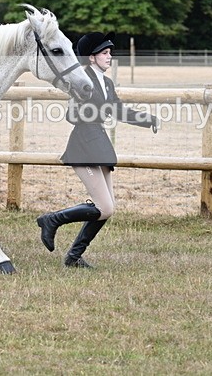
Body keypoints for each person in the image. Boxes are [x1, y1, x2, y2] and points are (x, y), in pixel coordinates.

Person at [36, 32, 159, 268]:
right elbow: (71, 115)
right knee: (104, 206)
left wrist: (148, 119)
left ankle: (73, 257)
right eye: (104, 53)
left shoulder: (107, 83)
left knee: (106, 209)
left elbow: (118, 111)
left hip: (99, 143)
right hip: (84, 144)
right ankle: (51, 220)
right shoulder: (82, 80)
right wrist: (90, 112)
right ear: (91, 58)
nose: (109, 57)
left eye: (109, 53)